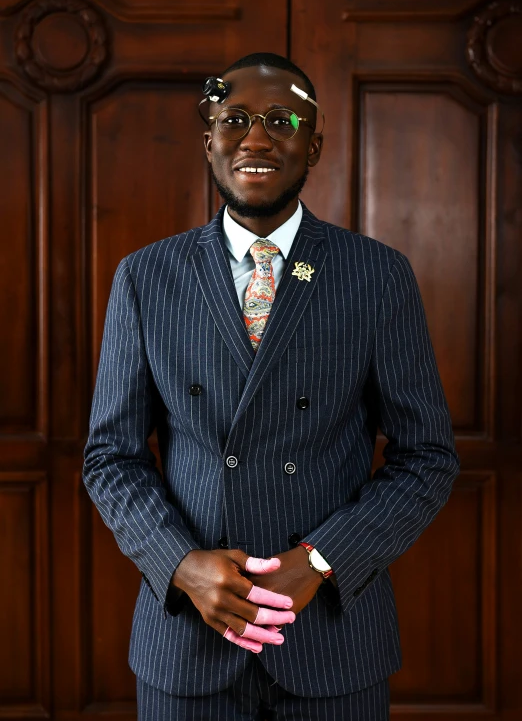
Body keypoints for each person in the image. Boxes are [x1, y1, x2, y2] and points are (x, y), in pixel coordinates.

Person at [83, 52, 459, 720]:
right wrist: (181, 564)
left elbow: (425, 458)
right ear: (210, 142)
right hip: (188, 638)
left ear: (313, 144)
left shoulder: (377, 275)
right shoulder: (145, 278)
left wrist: (319, 561)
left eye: (281, 120)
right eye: (235, 120)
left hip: (333, 637)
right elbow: (110, 458)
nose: (256, 138)